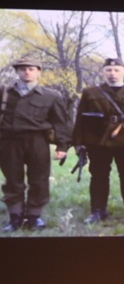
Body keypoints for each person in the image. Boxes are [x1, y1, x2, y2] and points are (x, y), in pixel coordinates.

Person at [73, 57, 124, 224]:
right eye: (108, 70)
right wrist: (79, 142)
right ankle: (97, 211)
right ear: (103, 72)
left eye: (117, 70)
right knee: (99, 176)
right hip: (98, 140)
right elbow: (80, 119)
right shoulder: (90, 93)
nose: (112, 73)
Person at [0, 57, 71, 231]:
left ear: (38, 72)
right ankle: (15, 217)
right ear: (17, 71)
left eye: (31, 68)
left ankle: (34, 215)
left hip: (37, 140)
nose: (27, 72)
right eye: (22, 69)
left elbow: (61, 123)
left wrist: (62, 146)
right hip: (9, 141)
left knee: (39, 179)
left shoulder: (51, 96)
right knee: (12, 180)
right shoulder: (4, 93)